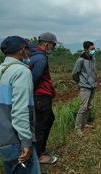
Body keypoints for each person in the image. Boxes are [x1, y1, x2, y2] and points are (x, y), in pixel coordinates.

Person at [0, 36, 41, 173]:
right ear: (21, 51)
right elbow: (20, 110)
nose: (29, 53)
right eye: (27, 49)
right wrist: (26, 142)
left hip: (0, 138)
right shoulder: (22, 72)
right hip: (15, 140)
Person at [29, 32, 58, 164]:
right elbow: (35, 78)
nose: (52, 48)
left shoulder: (32, 55)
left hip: (38, 96)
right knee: (42, 125)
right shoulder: (41, 58)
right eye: (52, 45)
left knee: (48, 120)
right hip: (41, 96)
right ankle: (39, 154)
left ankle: (38, 150)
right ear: (46, 44)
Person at [72, 41, 97, 137]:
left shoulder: (93, 59)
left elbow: (94, 72)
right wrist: (80, 82)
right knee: (83, 107)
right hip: (84, 86)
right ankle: (77, 127)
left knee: (89, 105)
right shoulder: (80, 60)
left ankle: (84, 123)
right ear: (86, 49)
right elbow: (74, 73)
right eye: (92, 49)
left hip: (92, 85)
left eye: (94, 49)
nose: (93, 51)